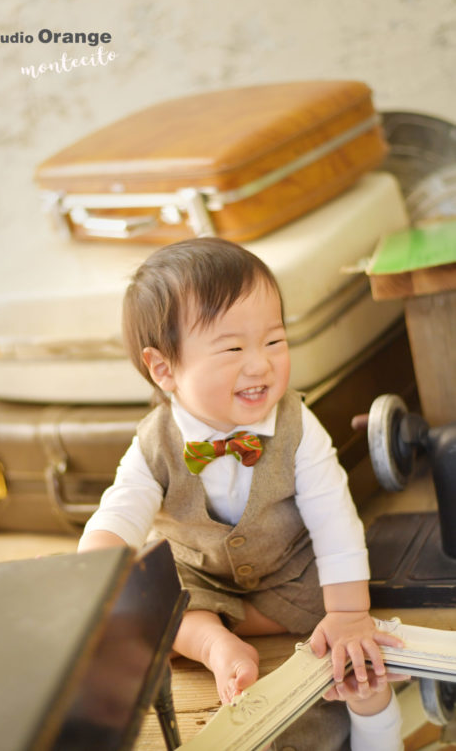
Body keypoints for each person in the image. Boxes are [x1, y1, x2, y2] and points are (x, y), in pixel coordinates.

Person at [79, 237, 403, 746]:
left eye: (274, 341)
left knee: (347, 581)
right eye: (233, 348)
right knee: (155, 599)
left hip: (291, 571)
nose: (260, 365)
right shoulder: (153, 444)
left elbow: (334, 519)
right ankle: (215, 645)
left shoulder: (299, 425)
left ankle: (242, 627)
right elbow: (117, 515)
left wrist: (347, 615)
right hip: (201, 576)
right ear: (164, 369)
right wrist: (95, 571)